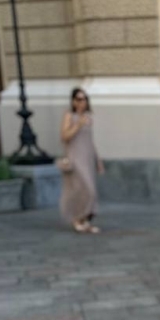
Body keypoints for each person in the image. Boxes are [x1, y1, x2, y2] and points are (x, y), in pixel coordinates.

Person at [59, 87, 104, 233]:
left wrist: (98, 160)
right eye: (79, 99)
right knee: (85, 189)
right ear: (73, 101)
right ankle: (76, 219)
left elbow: (90, 141)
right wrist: (78, 125)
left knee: (89, 191)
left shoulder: (88, 117)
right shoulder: (69, 116)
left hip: (87, 157)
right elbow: (64, 136)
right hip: (75, 158)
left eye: (84, 99)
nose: (82, 102)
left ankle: (85, 221)